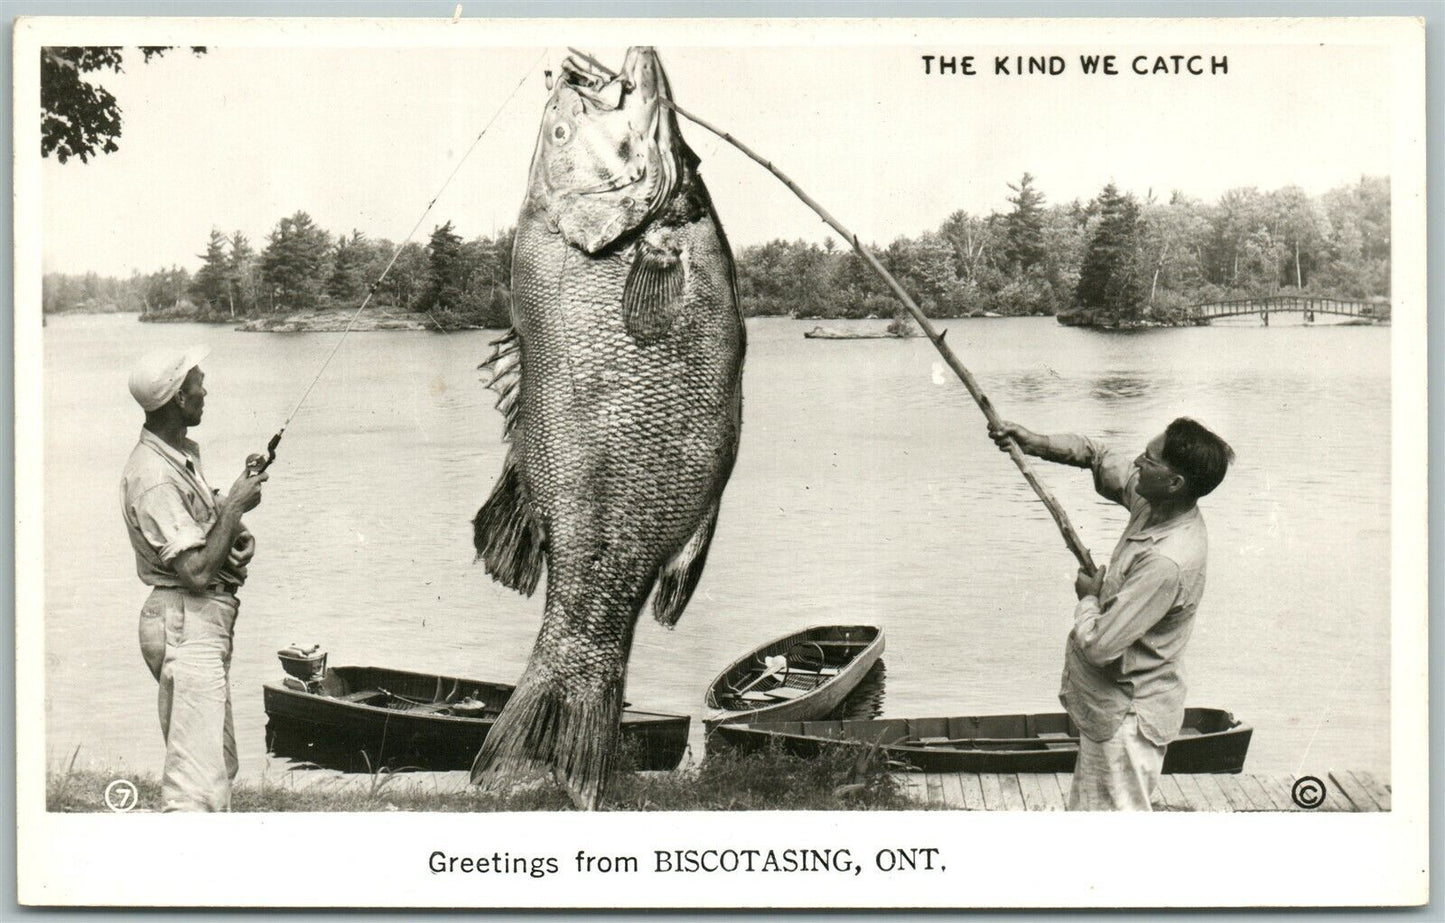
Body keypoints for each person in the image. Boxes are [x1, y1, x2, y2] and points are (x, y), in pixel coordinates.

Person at [989, 417, 1233, 811]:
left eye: (1149, 460)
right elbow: (1096, 454)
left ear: (1175, 483)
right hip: (1111, 708)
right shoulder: (1151, 500)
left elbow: (1101, 646)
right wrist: (1034, 442)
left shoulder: (1167, 561)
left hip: (1129, 718)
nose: (1137, 462)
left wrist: (1088, 598)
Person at [120, 345, 267, 811]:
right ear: (179, 400)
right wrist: (236, 506)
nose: (206, 389)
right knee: (195, 786)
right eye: (198, 382)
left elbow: (199, 543)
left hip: (195, 623)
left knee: (215, 766)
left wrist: (228, 513)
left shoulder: (174, 458)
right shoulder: (155, 478)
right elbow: (198, 572)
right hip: (188, 623)